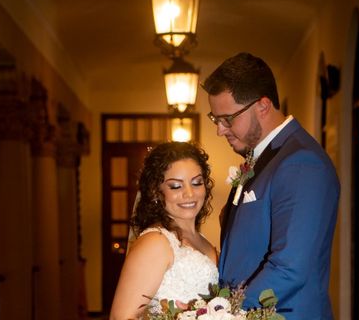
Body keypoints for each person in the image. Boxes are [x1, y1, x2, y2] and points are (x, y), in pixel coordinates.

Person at [202, 52, 340, 320]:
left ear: (263, 106)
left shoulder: (301, 162)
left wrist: (224, 314)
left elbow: (290, 268)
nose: (220, 130)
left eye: (227, 119)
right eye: (214, 119)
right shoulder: (262, 157)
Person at [109, 142, 218, 320]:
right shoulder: (156, 242)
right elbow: (120, 317)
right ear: (156, 192)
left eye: (197, 183)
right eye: (176, 186)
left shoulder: (202, 239)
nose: (190, 194)